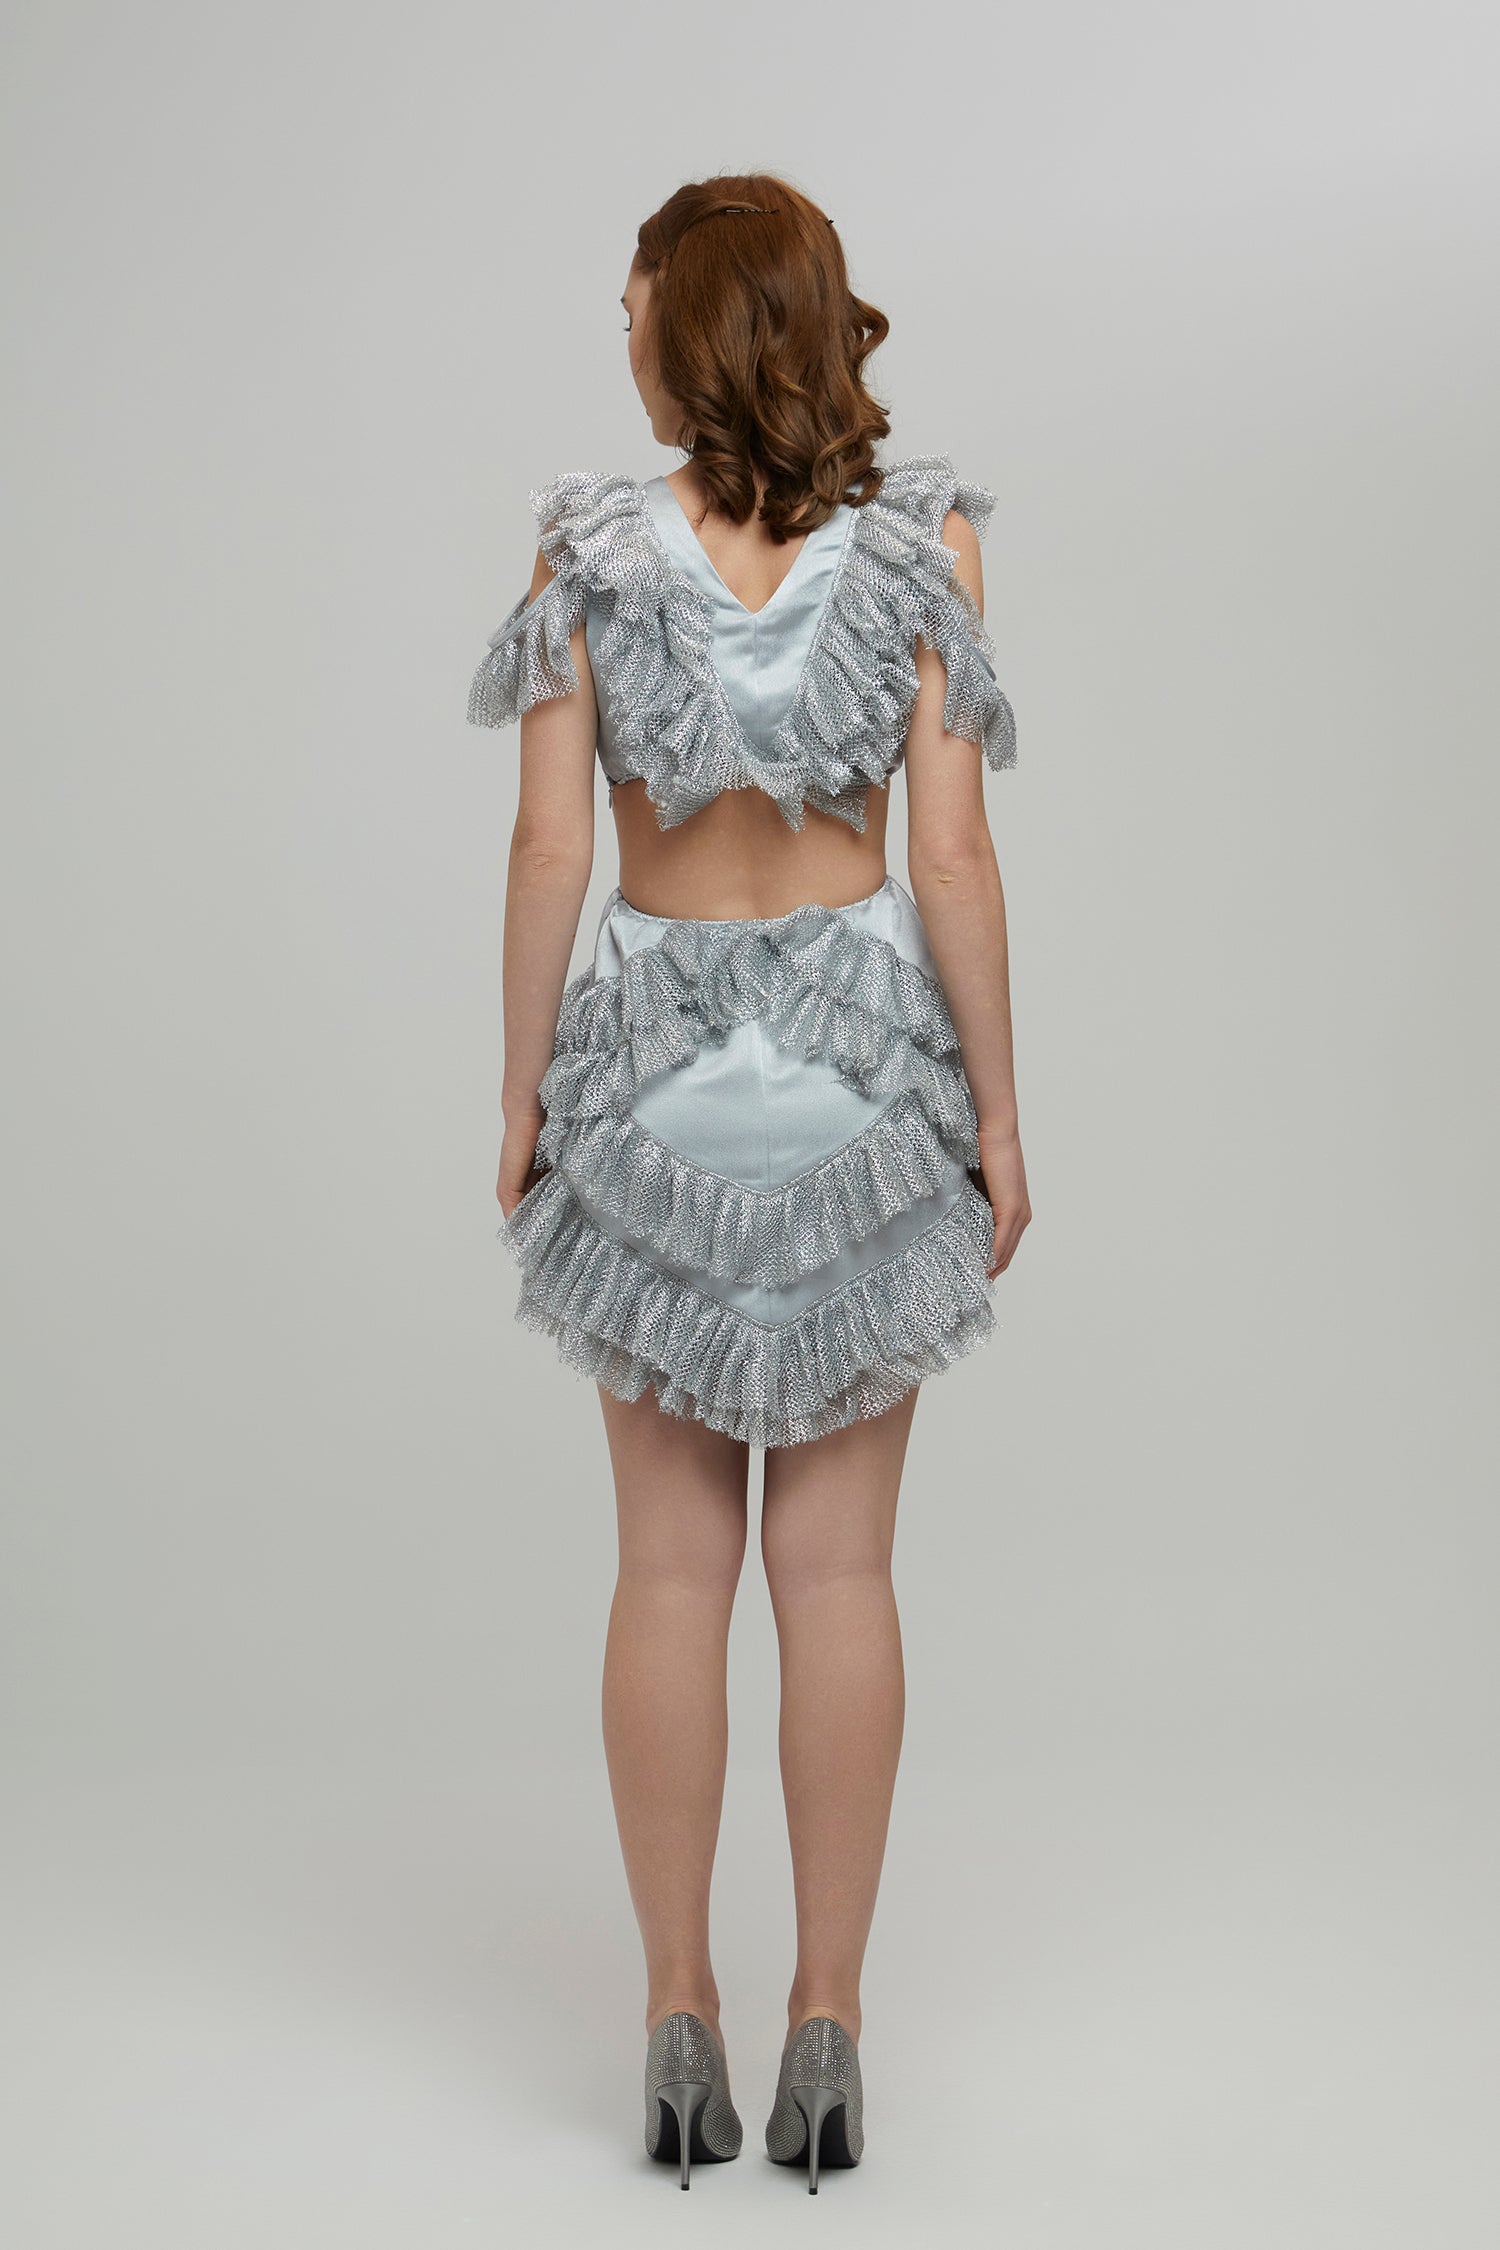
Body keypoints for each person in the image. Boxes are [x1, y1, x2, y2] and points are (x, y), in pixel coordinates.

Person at [466, 173, 1031, 2191]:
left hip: (660, 1097)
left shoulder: (588, 549)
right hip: (865, 1092)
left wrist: (521, 1096)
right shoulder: (927, 543)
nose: (619, 325)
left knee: (671, 1574)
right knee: (843, 1578)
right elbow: (950, 856)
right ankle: (830, 2024)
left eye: (633, 295)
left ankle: (676, 2012)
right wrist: (1000, 1118)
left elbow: (553, 850)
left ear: (686, 321)